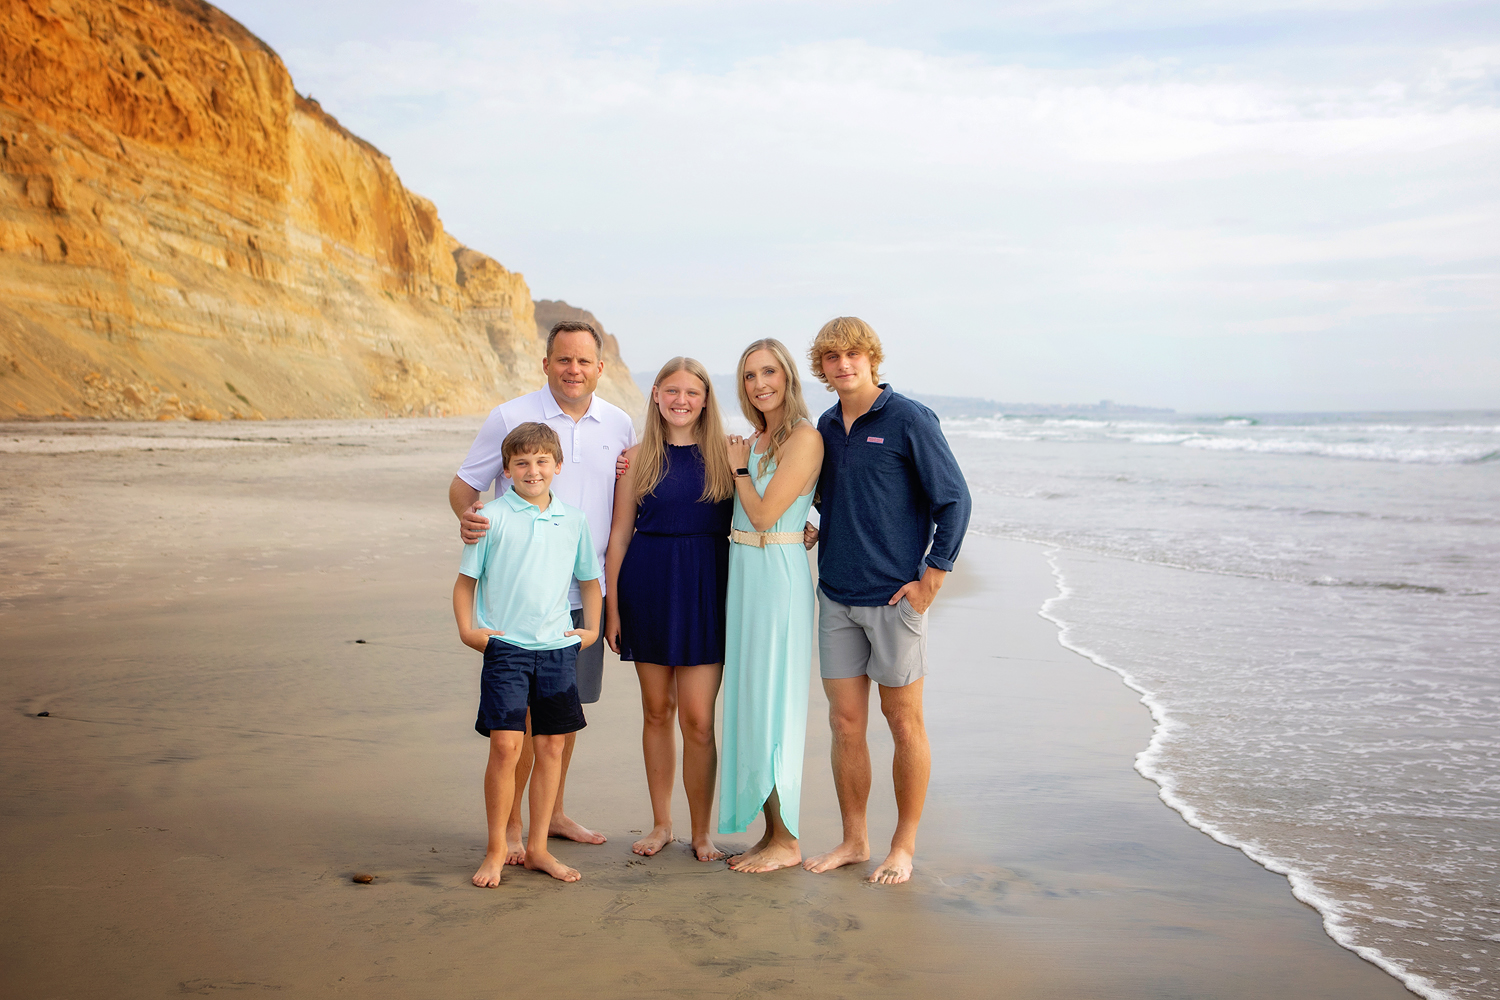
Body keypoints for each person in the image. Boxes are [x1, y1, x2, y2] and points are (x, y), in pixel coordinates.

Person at [450, 321, 634, 862]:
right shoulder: (511, 417)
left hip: (587, 588)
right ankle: (509, 826)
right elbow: (466, 486)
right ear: (547, 363)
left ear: (600, 367)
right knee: (520, 723)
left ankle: (549, 817)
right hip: (520, 598)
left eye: (583, 361)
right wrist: (471, 526)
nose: (573, 370)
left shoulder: (619, 423)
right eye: (563, 360)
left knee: (562, 713)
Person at [800, 316, 971, 885]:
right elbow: (836, 497)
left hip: (896, 598)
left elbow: (954, 500)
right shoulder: (825, 424)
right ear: (821, 367)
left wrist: (932, 579)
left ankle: (903, 846)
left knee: (903, 723)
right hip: (836, 597)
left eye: (853, 354)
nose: (843, 364)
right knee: (845, 723)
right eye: (831, 357)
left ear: (872, 358)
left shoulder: (908, 419)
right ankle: (854, 840)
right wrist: (816, 526)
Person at [453, 422, 602, 887]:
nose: (532, 470)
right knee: (505, 747)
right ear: (507, 469)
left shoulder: (574, 520)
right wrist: (468, 631)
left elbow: (590, 582)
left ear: (557, 466)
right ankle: (498, 848)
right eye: (522, 462)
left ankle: (537, 848)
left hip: (557, 648)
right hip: (507, 649)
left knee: (552, 747)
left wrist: (590, 631)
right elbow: (465, 584)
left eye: (542, 462)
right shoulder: (490, 516)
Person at [603, 357, 734, 862]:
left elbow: (769, 504)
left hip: (706, 587)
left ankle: (702, 831)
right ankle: (662, 824)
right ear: (656, 395)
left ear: (705, 399)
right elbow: (617, 537)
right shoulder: (636, 458)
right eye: (672, 391)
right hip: (649, 585)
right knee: (657, 711)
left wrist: (809, 530)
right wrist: (614, 609)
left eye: (693, 393)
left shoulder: (726, 453)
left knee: (699, 719)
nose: (682, 400)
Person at [717, 339, 824, 873]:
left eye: (768, 372)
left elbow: (762, 515)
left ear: (787, 376)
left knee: (774, 703)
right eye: (749, 375)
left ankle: (787, 840)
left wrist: (739, 469)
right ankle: (769, 833)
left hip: (777, 579)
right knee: (749, 703)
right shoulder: (757, 439)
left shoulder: (804, 437)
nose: (760, 384)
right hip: (745, 576)